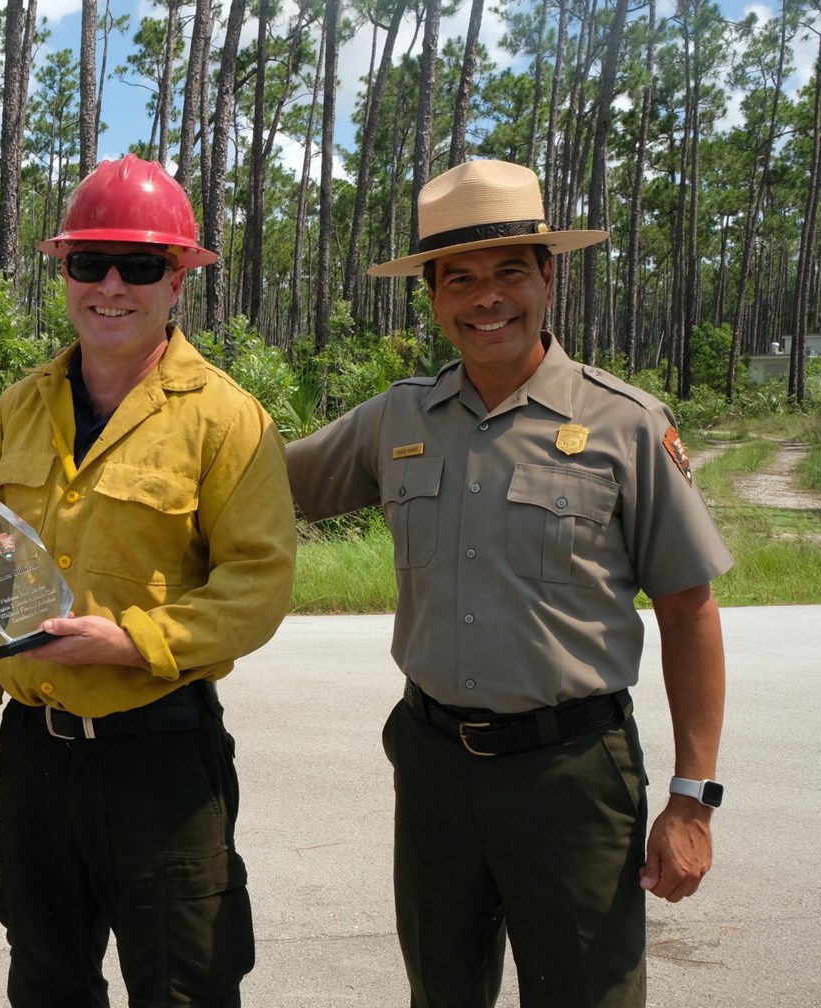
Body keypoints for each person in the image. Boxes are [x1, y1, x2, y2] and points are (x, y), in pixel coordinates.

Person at [286, 159, 732, 1008]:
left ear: (548, 276)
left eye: (508, 272)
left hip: (572, 777)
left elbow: (690, 610)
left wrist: (691, 800)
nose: (486, 298)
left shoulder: (625, 425)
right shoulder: (397, 418)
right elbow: (258, 484)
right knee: (440, 993)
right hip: (432, 769)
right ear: (432, 295)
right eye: (460, 278)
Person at [0, 153, 296, 1007]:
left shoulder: (225, 418)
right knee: (47, 978)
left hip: (162, 755)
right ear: (62, 272)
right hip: (37, 758)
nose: (110, 286)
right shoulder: (19, 411)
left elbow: (258, 582)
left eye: (139, 266)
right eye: (86, 263)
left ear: (178, 281)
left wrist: (136, 642)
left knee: (185, 984)